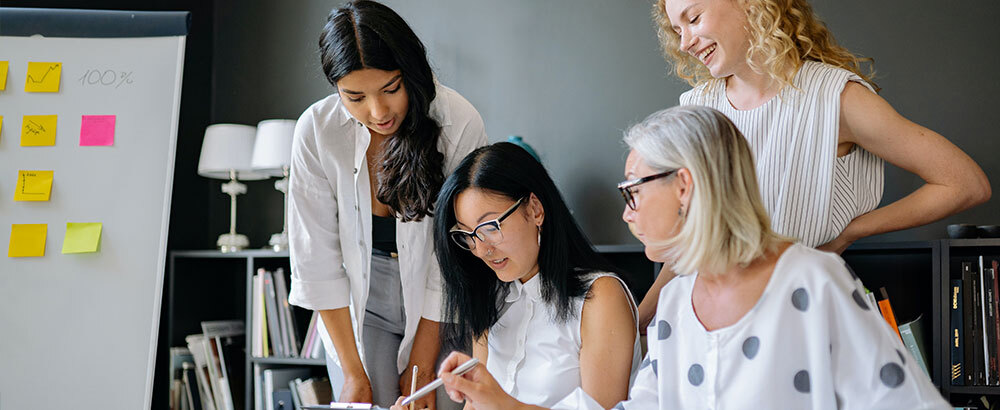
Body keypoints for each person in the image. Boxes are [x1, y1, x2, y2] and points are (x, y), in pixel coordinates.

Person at [403, 106, 950, 410]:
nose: (627, 213)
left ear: (684, 186)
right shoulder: (677, 307)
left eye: (633, 193)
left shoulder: (811, 279)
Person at [634, 0, 991, 328]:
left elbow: (964, 183)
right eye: (677, 30)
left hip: (800, 317)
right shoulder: (695, 110)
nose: (684, 44)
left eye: (693, 19)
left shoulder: (835, 99)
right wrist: (639, 322)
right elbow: (690, 242)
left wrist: (851, 231)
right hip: (708, 322)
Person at [286, 1, 487, 408]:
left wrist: (421, 367)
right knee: (366, 399)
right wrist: (352, 373)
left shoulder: (458, 121)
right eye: (354, 96)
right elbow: (317, 261)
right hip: (363, 299)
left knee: (438, 400)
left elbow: (453, 252)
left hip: (444, 293)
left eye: (391, 89)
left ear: (409, 72)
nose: (378, 112)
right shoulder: (316, 131)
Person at [430, 142, 641, 408]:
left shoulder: (600, 297)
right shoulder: (489, 299)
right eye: (468, 235)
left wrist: (501, 403)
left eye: (491, 227)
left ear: (535, 209)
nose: (481, 249)